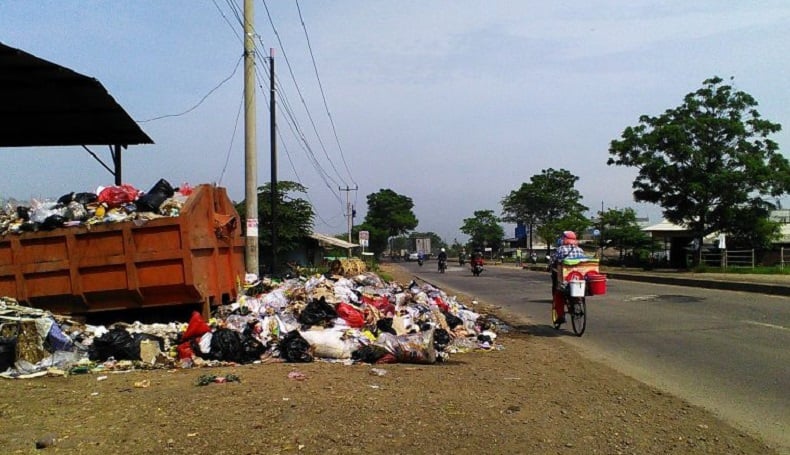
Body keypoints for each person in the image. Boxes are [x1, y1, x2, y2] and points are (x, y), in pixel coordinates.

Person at [549, 231, 586, 324]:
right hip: (578, 278)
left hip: (565, 278)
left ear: (564, 239)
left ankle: (560, 316)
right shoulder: (580, 250)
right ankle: (577, 301)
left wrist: (550, 266)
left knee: (558, 295)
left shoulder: (561, 249)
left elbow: (553, 261)